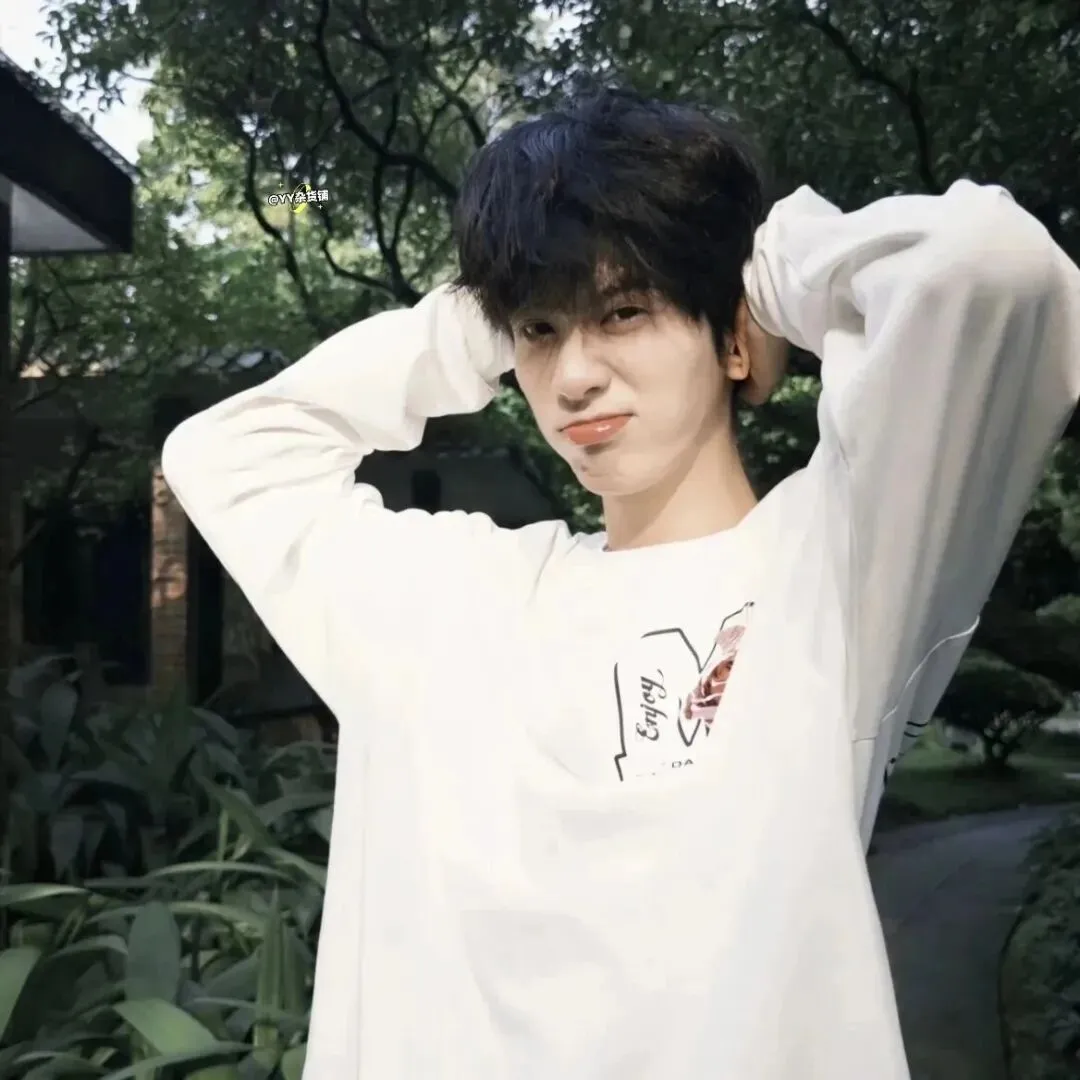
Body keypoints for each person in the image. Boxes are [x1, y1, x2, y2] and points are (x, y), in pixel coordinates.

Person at [162, 87, 1080, 1079]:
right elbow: (226, 455)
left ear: (733, 337)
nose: (574, 378)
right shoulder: (453, 599)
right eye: (541, 331)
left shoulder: (839, 571)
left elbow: (992, 268)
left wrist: (759, 276)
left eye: (626, 311)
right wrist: (481, 316)